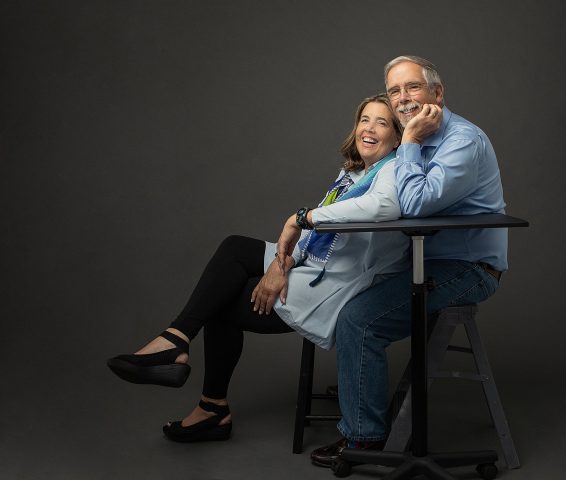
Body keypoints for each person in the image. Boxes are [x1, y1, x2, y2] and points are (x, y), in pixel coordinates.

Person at [107, 94, 410, 443]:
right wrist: (284, 262)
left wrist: (301, 221)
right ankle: (178, 345)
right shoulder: (356, 173)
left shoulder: (394, 171)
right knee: (235, 249)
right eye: (364, 120)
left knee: (220, 303)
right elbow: (322, 238)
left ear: (398, 137)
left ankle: (207, 401)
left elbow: (382, 208)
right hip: (313, 264)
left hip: (332, 285)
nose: (369, 129)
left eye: (382, 123)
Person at [300, 56, 509, 467]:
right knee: (346, 299)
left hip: (467, 270)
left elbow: (412, 207)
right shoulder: (418, 139)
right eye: (394, 90)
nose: (402, 98)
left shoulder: (460, 141)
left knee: (359, 320)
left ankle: (363, 440)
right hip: (420, 262)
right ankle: (365, 409)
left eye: (412, 87)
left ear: (438, 92)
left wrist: (409, 140)